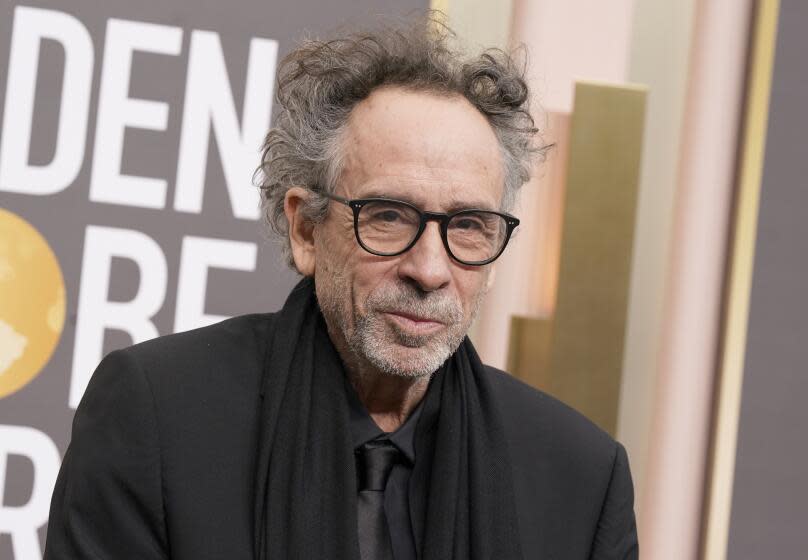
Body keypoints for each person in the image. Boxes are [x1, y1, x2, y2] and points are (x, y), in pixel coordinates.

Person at [44, 15, 638, 560]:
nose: (430, 270)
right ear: (306, 228)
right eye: (389, 216)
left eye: (469, 226)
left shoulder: (582, 479)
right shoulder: (156, 417)